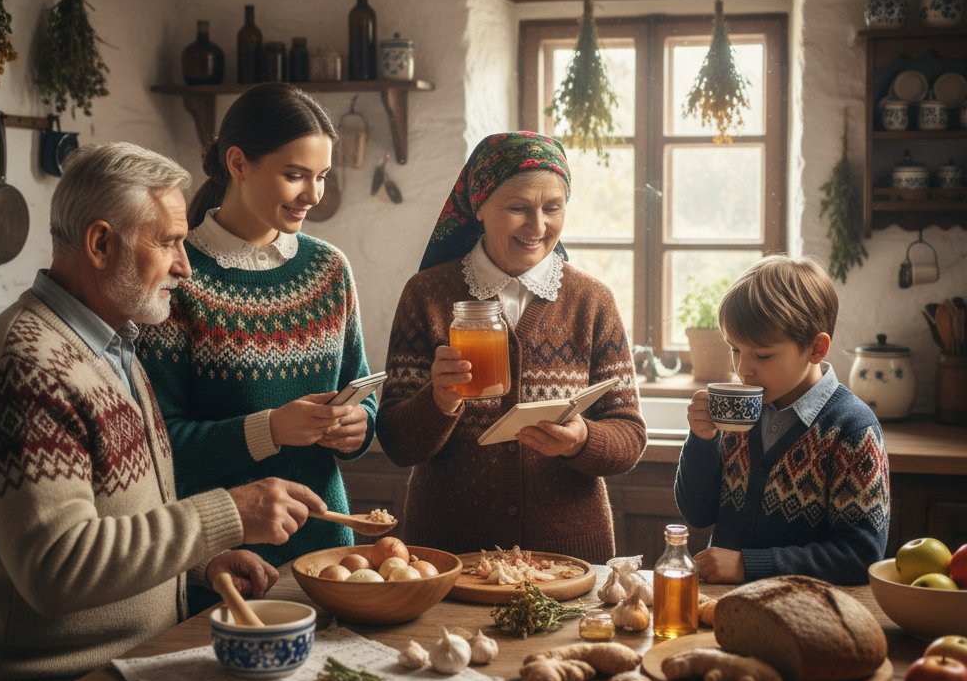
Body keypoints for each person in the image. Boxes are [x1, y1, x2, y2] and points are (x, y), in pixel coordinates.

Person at [0, 142, 330, 681]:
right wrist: (227, 517)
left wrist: (196, 561)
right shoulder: (25, 369)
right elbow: (57, 567)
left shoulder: (109, 346)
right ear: (99, 243)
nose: (185, 266)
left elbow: (117, 519)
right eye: (172, 243)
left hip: (119, 677)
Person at [136, 83, 376, 612]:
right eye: (295, 175)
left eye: (321, 176)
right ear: (238, 163)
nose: (313, 195)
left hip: (330, 550)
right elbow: (158, 447)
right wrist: (269, 430)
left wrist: (360, 425)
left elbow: (360, 385)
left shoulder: (329, 270)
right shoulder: (180, 278)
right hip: (224, 562)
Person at [375, 131, 647, 563]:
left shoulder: (592, 301)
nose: (537, 227)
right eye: (518, 208)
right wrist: (439, 401)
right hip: (447, 556)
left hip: (568, 558)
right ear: (478, 207)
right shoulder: (427, 295)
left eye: (552, 208)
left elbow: (629, 435)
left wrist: (582, 439)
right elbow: (397, 443)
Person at [673, 254, 890, 585]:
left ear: (816, 349)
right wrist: (702, 441)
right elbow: (697, 514)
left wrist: (750, 565)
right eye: (735, 349)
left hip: (809, 614)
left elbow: (860, 555)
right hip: (725, 606)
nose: (743, 369)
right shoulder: (738, 415)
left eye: (762, 355)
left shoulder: (852, 429)